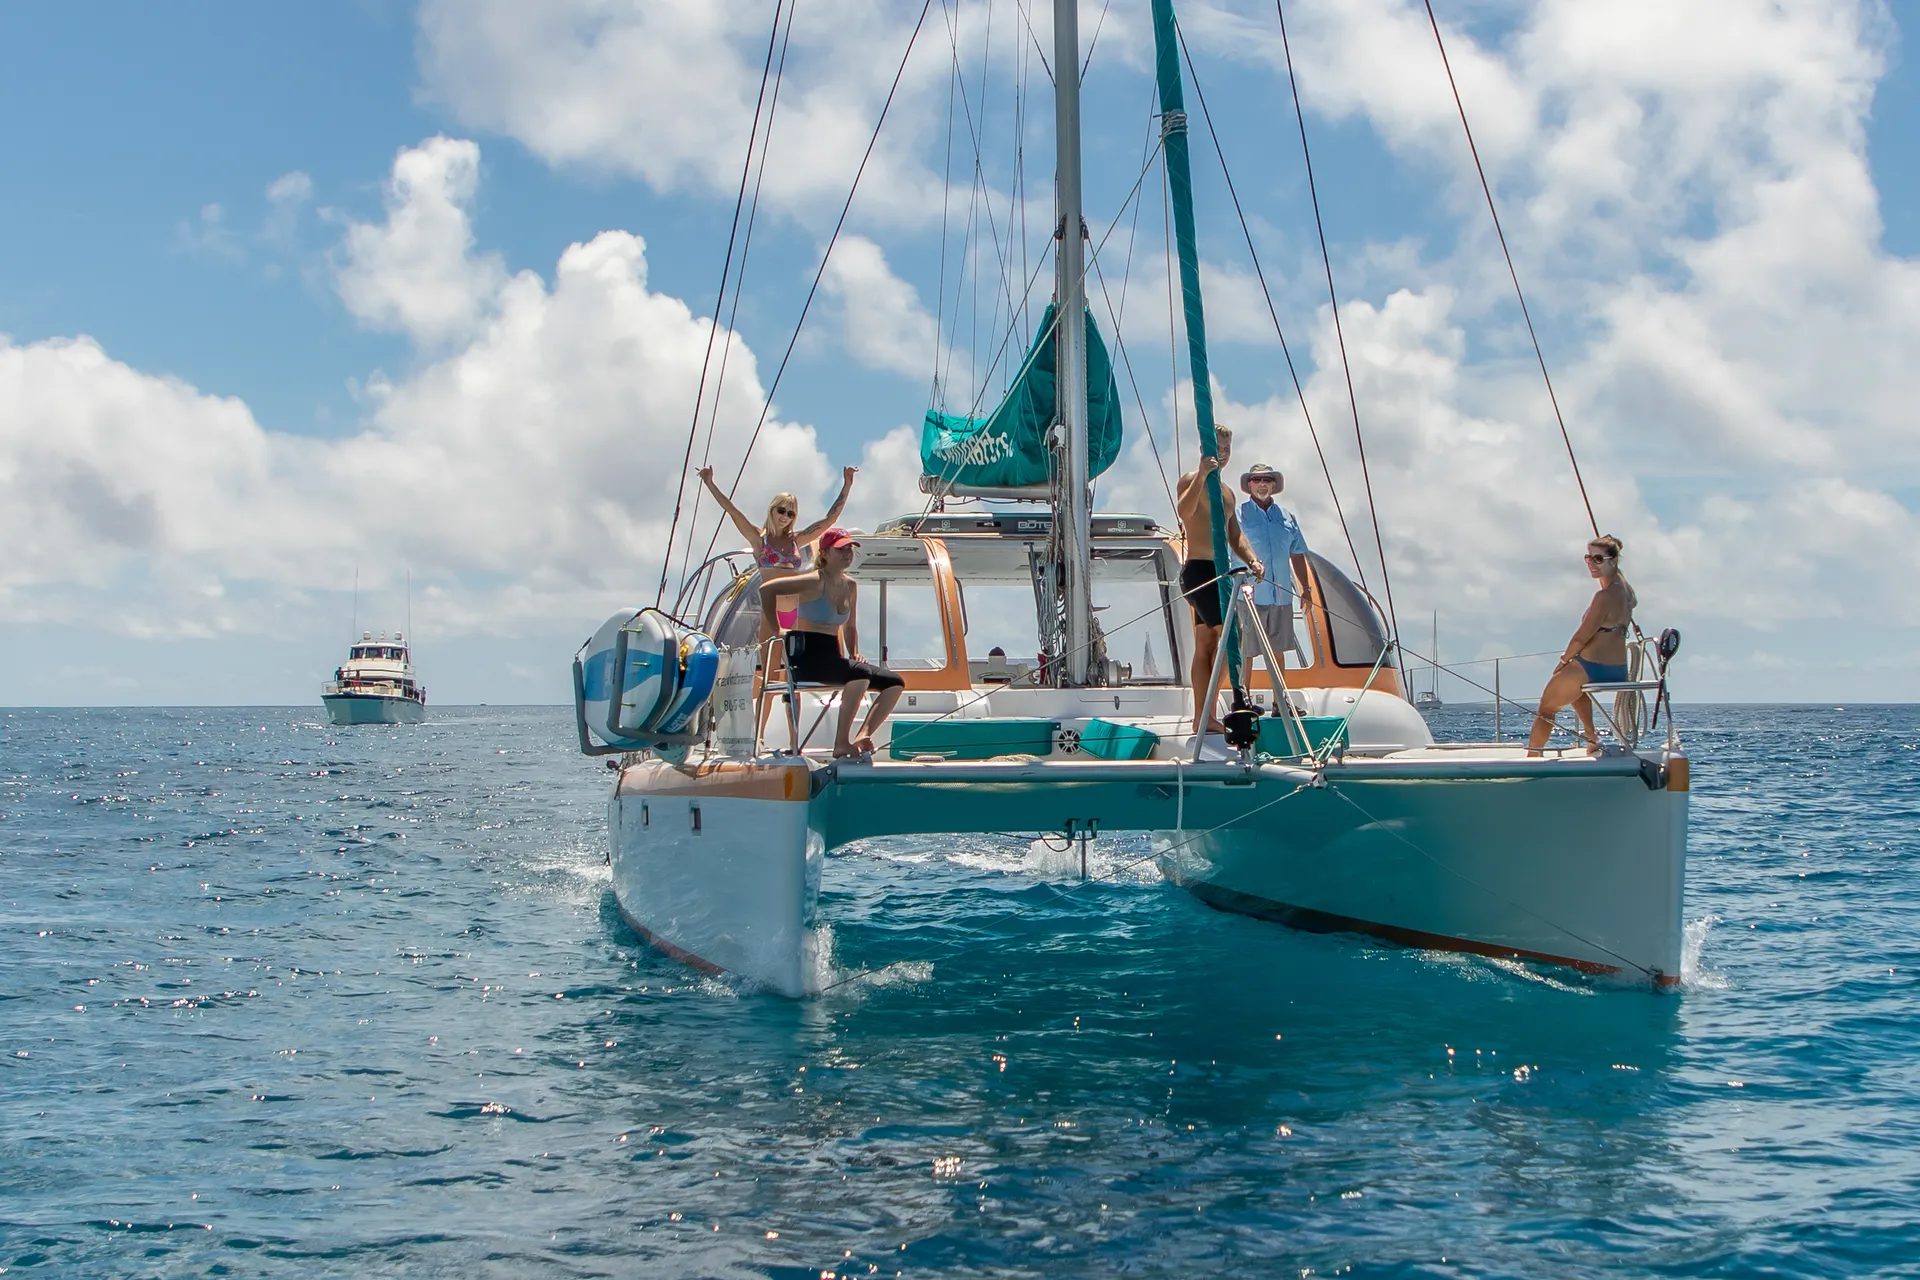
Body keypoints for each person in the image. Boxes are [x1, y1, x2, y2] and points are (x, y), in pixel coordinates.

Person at [760, 528, 905, 759]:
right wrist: (777, 629)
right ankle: (841, 743)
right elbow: (767, 590)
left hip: (832, 655)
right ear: (825, 553)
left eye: (850, 549)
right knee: (859, 675)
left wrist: (855, 652)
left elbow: (849, 626)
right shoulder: (814, 580)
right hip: (806, 657)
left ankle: (863, 735)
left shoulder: (850, 585)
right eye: (841, 549)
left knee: (894, 682)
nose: (847, 553)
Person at [1174, 425, 1263, 734]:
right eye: (1218, 447)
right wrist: (1201, 474)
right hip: (1198, 570)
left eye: (1227, 449)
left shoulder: (1227, 493)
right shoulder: (1190, 481)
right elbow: (1184, 511)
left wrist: (1252, 559)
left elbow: (1233, 534)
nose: (1223, 454)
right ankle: (1205, 714)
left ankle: (1204, 715)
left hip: (1220, 571)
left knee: (1208, 643)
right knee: (1230, 637)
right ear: (1205, 448)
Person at [699, 463, 857, 629]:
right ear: (772, 510)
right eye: (782, 510)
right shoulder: (760, 540)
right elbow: (733, 511)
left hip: (796, 608)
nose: (785, 517)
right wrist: (710, 483)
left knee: (793, 652)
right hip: (770, 609)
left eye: (791, 514)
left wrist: (847, 485)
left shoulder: (796, 540)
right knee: (771, 653)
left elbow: (829, 520)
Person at [1528, 534, 1638, 756]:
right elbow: (1625, 596)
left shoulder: (1603, 596)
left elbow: (1581, 637)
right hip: (1617, 668)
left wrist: (1563, 660)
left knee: (1546, 707)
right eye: (1588, 558)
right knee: (1574, 685)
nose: (1591, 563)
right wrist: (1607, 570)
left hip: (1592, 666)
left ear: (1613, 561)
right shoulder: (1625, 590)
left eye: (1598, 559)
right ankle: (1591, 737)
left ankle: (1532, 755)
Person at [1235, 462, 1311, 688]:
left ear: (1273, 485)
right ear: (1249, 485)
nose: (1262, 484)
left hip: (1280, 596)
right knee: (1246, 651)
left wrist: (1306, 590)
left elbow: (1297, 553)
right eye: (1257, 480)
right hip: (1248, 595)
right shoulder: (1238, 515)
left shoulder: (1286, 516)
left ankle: (1281, 702)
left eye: (1267, 480)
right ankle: (1244, 701)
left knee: (1278, 649)